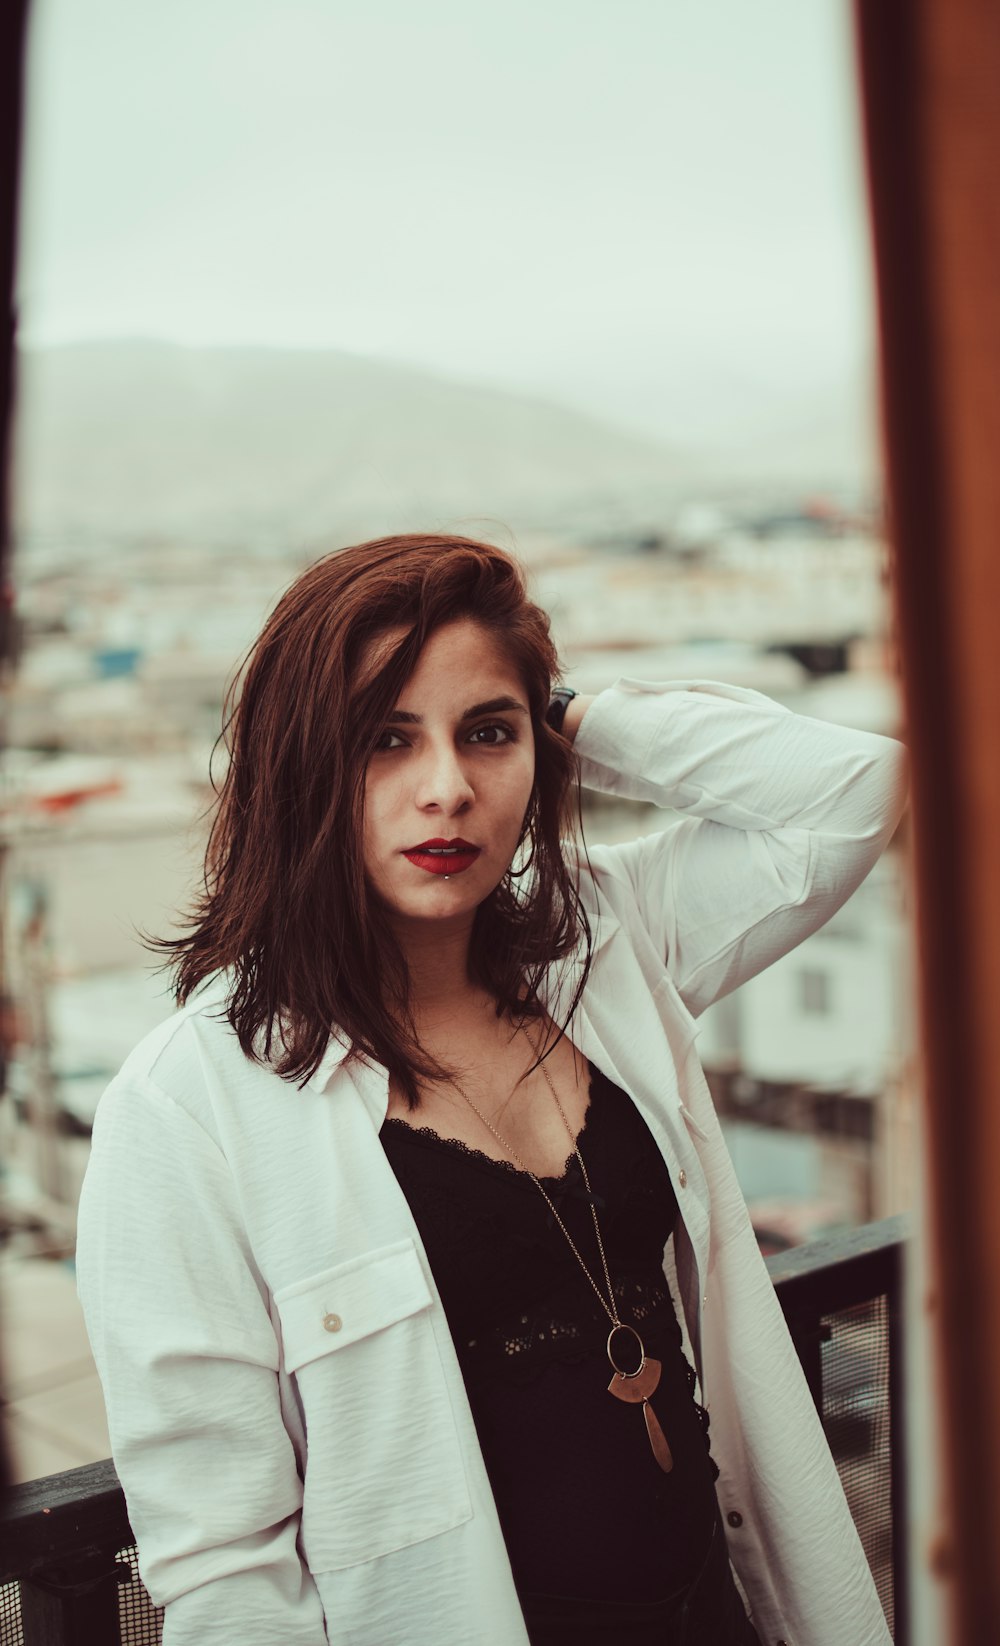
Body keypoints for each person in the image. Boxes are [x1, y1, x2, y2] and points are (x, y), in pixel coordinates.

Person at [76, 533, 906, 1646]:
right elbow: (226, 1565)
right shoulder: (189, 1109)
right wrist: (495, 705)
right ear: (301, 766)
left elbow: (859, 790)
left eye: (486, 733)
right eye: (384, 739)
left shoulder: (605, 946)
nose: (447, 789)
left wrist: (567, 716)